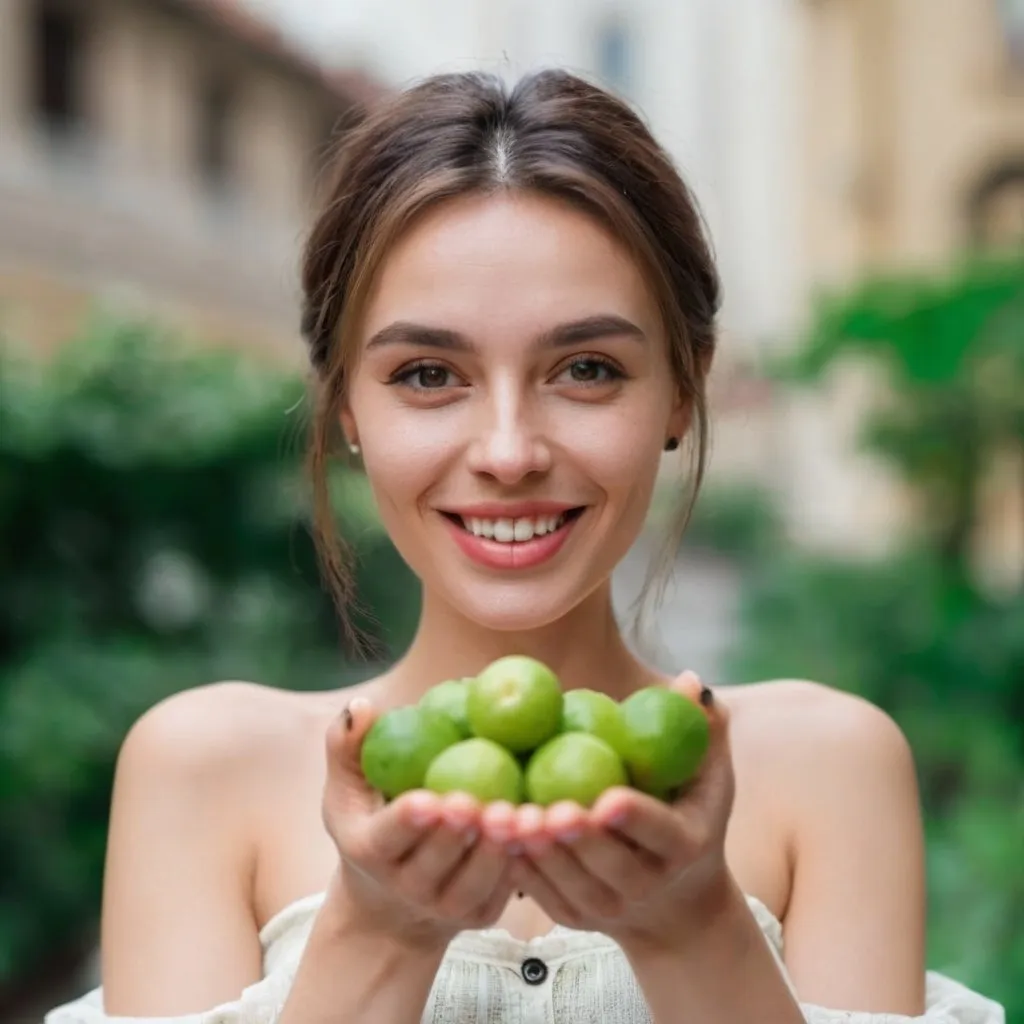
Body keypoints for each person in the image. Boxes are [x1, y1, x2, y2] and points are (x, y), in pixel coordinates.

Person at [45, 70, 1004, 1024]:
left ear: (681, 388)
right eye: (428, 374)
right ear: (346, 403)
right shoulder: (202, 772)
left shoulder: (827, 769)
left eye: (586, 369)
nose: (509, 452)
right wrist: (379, 936)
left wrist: (693, 931)